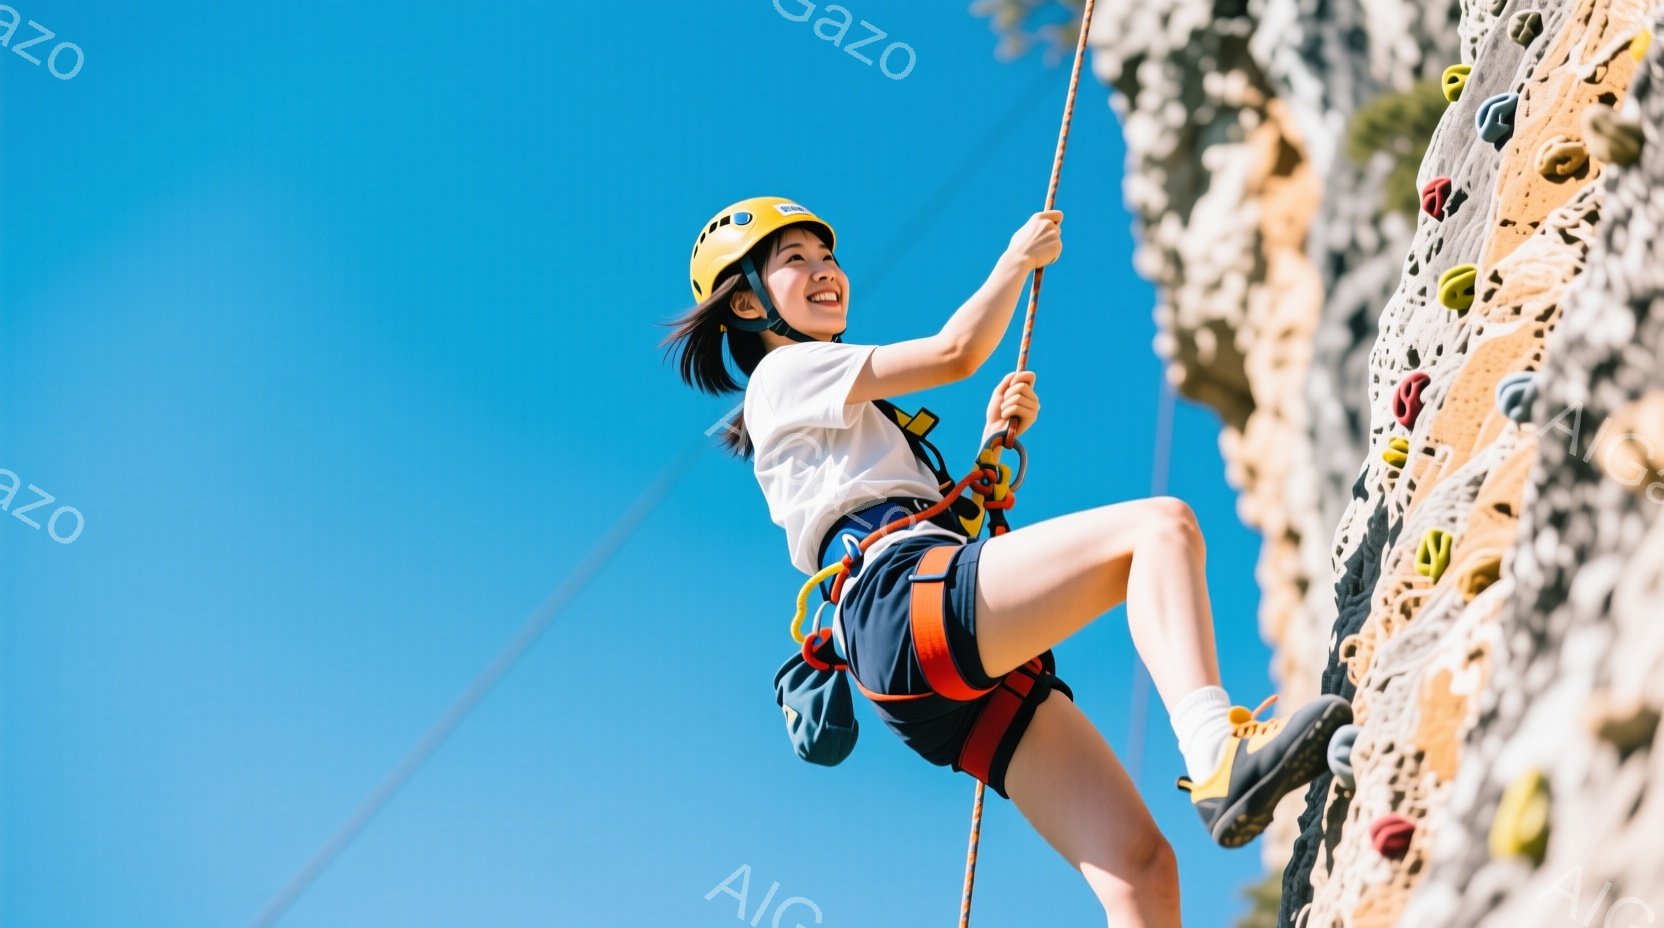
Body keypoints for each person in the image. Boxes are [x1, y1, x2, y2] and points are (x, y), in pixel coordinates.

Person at [660, 197, 1351, 927]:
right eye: (793, 261)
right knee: (1160, 529)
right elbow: (955, 352)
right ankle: (1216, 752)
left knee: (1142, 870)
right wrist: (1016, 259)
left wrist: (990, 444)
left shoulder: (830, 415)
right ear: (745, 302)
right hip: (901, 604)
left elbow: (915, 518)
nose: (824, 271)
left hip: (915, 652)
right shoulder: (786, 375)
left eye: (825, 256)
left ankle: (1217, 770)